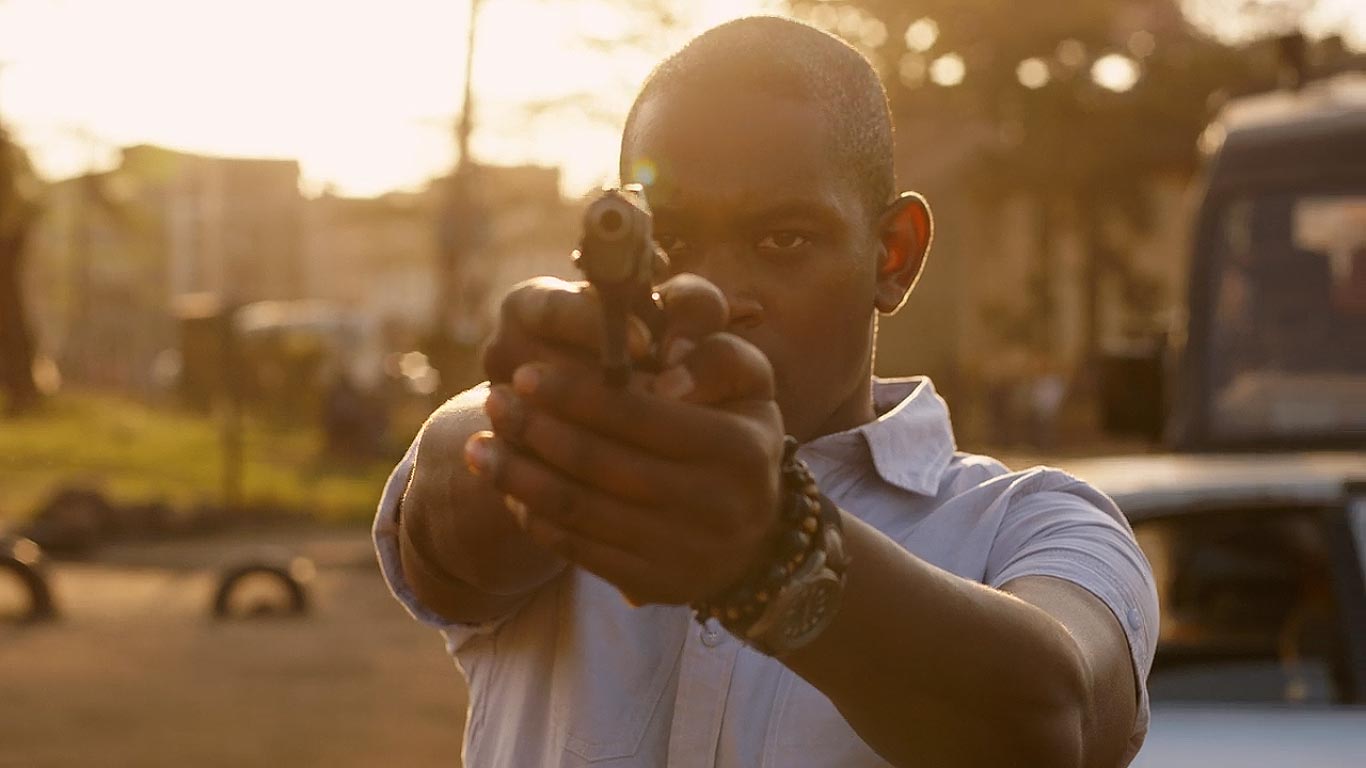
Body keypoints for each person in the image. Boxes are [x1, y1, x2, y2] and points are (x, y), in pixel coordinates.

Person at [375, 16, 1158, 768]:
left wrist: (778, 556)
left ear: (893, 255)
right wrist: (542, 420)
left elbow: (1064, 720)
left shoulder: (1033, 524)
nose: (713, 292)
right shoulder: (571, 453)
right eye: (671, 241)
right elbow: (447, 524)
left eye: (784, 240)